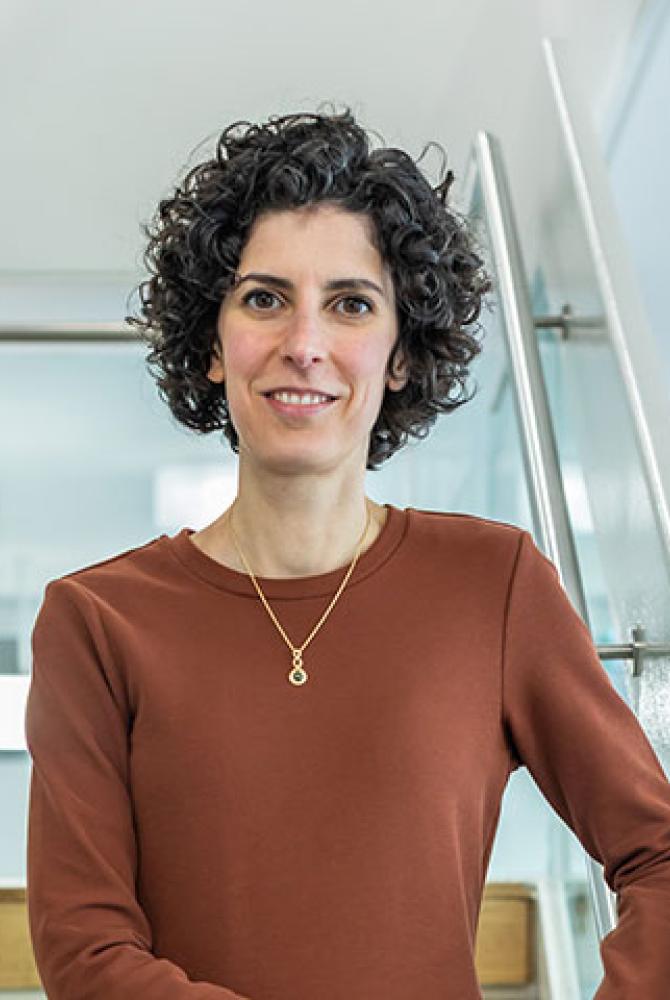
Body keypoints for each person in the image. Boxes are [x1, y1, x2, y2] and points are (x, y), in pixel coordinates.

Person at [24, 107, 670, 999]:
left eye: (351, 304)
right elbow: (84, 952)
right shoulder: (96, 621)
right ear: (212, 345)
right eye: (263, 298)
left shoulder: (494, 583)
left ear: (400, 355)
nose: (305, 344)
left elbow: (660, 854)